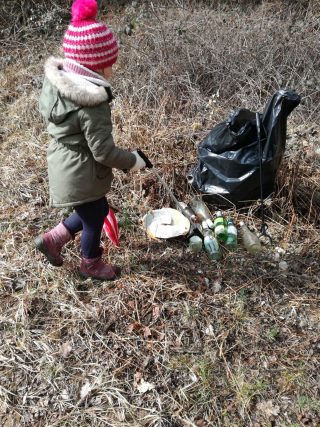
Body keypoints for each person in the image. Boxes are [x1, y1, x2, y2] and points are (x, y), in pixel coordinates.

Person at [35, 0, 146, 280]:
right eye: (109, 64)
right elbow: (103, 152)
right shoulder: (91, 102)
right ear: (93, 66)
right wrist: (133, 161)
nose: (113, 69)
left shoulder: (60, 86)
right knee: (95, 214)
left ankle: (53, 240)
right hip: (81, 170)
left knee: (93, 210)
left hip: (65, 163)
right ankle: (90, 263)